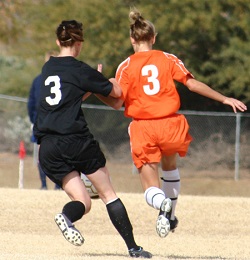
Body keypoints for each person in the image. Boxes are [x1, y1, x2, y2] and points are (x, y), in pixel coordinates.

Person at [108, 8, 247, 239]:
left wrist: (98, 88)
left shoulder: (126, 66)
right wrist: (224, 98)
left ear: (132, 39)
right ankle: (169, 216)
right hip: (171, 125)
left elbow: (117, 101)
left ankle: (163, 205)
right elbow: (192, 84)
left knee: (150, 187)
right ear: (153, 38)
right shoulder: (167, 58)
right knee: (170, 168)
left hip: (144, 126)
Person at [33, 20, 152, 258]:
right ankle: (133, 248)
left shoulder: (47, 68)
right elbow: (117, 94)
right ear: (79, 44)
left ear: (58, 41)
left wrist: (87, 84)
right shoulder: (79, 69)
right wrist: (103, 80)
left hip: (47, 146)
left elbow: (69, 95)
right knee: (108, 194)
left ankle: (67, 217)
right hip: (75, 141)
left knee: (83, 202)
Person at [27, 51, 61, 190]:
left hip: (41, 122)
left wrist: (34, 119)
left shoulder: (38, 80)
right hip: (58, 123)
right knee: (59, 154)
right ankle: (58, 185)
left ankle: (43, 185)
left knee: (42, 155)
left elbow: (31, 103)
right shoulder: (62, 79)